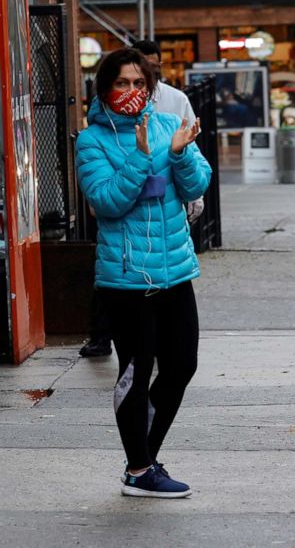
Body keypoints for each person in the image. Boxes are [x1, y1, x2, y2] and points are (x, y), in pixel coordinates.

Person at [75, 48, 212, 498]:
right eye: (122, 83)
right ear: (105, 88)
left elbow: (196, 185)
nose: (132, 92)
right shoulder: (91, 141)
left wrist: (179, 154)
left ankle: (143, 456)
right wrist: (138, 158)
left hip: (174, 271)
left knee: (183, 365)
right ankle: (139, 468)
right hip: (126, 280)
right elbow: (108, 203)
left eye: (139, 83)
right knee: (136, 370)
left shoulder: (169, 124)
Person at [132, 40, 205, 223]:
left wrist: (196, 194)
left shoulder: (176, 98)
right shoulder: (120, 103)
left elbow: (191, 145)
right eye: (143, 65)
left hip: (172, 184)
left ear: (160, 66)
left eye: (153, 65)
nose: (149, 70)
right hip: (134, 185)